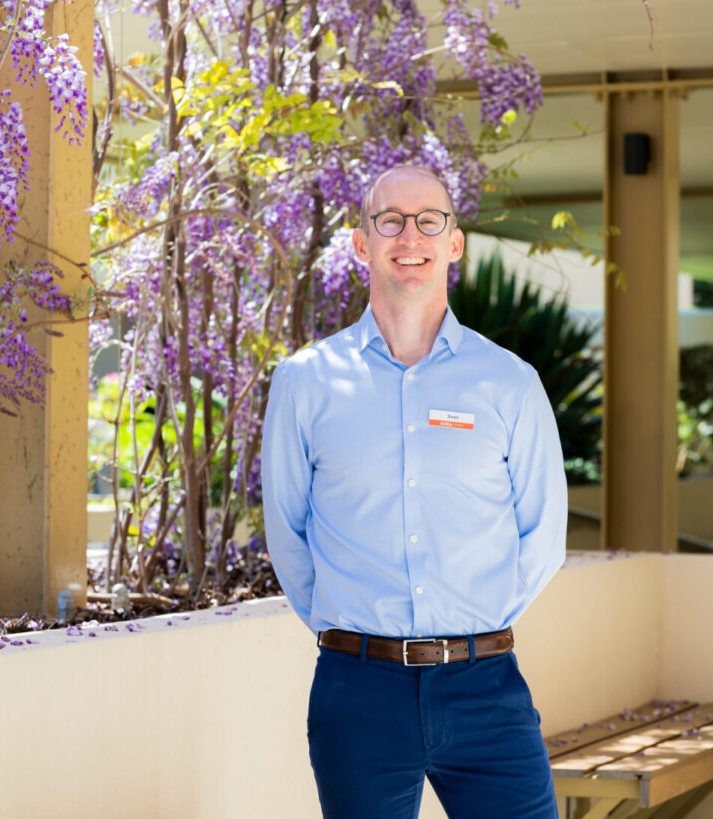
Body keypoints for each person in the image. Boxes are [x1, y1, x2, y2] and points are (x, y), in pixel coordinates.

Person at [261, 164, 567, 819]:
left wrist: (476, 623)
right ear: (360, 242)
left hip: (486, 687)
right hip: (358, 690)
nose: (410, 235)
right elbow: (286, 531)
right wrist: (352, 629)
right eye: (390, 220)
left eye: (429, 219)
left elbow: (544, 534)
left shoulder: (509, 383)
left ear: (454, 242)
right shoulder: (305, 382)